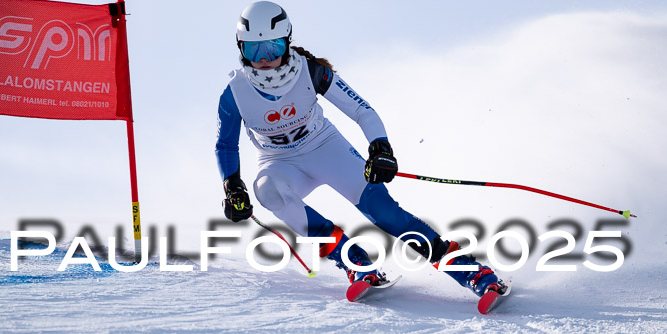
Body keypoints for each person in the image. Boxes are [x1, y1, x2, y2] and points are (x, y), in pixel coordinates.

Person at [215, 1, 507, 302]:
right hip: (279, 162)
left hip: (325, 149)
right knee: (267, 191)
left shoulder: (311, 72)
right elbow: (225, 144)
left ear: (287, 41)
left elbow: (362, 110)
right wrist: (232, 186)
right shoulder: (235, 93)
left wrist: (380, 147)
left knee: (385, 213)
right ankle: (356, 263)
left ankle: (472, 272)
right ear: (241, 48)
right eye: (254, 50)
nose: (265, 60)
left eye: (273, 47)